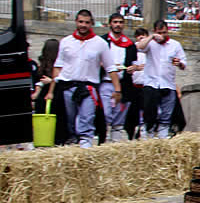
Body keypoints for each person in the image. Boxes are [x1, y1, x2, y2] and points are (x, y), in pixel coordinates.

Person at [45, 10, 122, 148]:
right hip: (67, 86)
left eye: (87, 22)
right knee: (70, 121)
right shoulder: (66, 42)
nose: (83, 25)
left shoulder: (100, 43)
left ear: (91, 23)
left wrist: (117, 89)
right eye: (81, 22)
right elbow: (58, 67)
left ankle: (85, 146)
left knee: (86, 119)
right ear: (76, 22)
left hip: (88, 87)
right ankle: (72, 144)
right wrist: (51, 91)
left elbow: (110, 68)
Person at [135, 20, 186, 139]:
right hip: (151, 83)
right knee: (150, 114)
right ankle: (148, 136)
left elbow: (184, 64)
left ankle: (163, 138)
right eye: (159, 33)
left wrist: (179, 63)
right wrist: (151, 37)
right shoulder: (150, 44)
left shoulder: (175, 45)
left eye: (164, 32)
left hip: (168, 84)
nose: (162, 35)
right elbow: (138, 47)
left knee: (166, 116)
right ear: (154, 31)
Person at [100, 13, 138, 143]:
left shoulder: (129, 45)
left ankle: (115, 141)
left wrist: (133, 68)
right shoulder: (102, 41)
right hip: (106, 82)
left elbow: (133, 63)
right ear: (110, 23)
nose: (118, 25)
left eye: (120, 22)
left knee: (119, 115)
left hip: (124, 83)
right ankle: (102, 138)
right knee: (105, 113)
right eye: (115, 22)